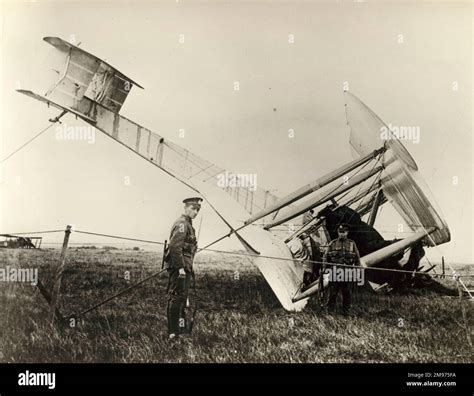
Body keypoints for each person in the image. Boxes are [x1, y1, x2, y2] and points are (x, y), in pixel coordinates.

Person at [164, 197, 202, 340]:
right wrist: (180, 268)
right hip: (180, 268)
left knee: (182, 299)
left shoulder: (188, 225)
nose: (196, 212)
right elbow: (175, 247)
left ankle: (180, 329)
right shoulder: (182, 224)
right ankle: (173, 332)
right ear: (186, 208)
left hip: (185, 268)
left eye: (198, 209)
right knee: (177, 298)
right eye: (193, 208)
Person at [323, 223, 361, 315]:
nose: (341, 234)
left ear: (347, 232)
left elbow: (357, 259)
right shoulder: (332, 243)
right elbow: (325, 257)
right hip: (335, 272)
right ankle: (330, 312)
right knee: (333, 293)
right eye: (340, 232)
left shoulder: (352, 244)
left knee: (347, 294)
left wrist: (358, 271)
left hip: (347, 273)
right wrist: (324, 270)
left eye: (343, 232)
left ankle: (346, 312)